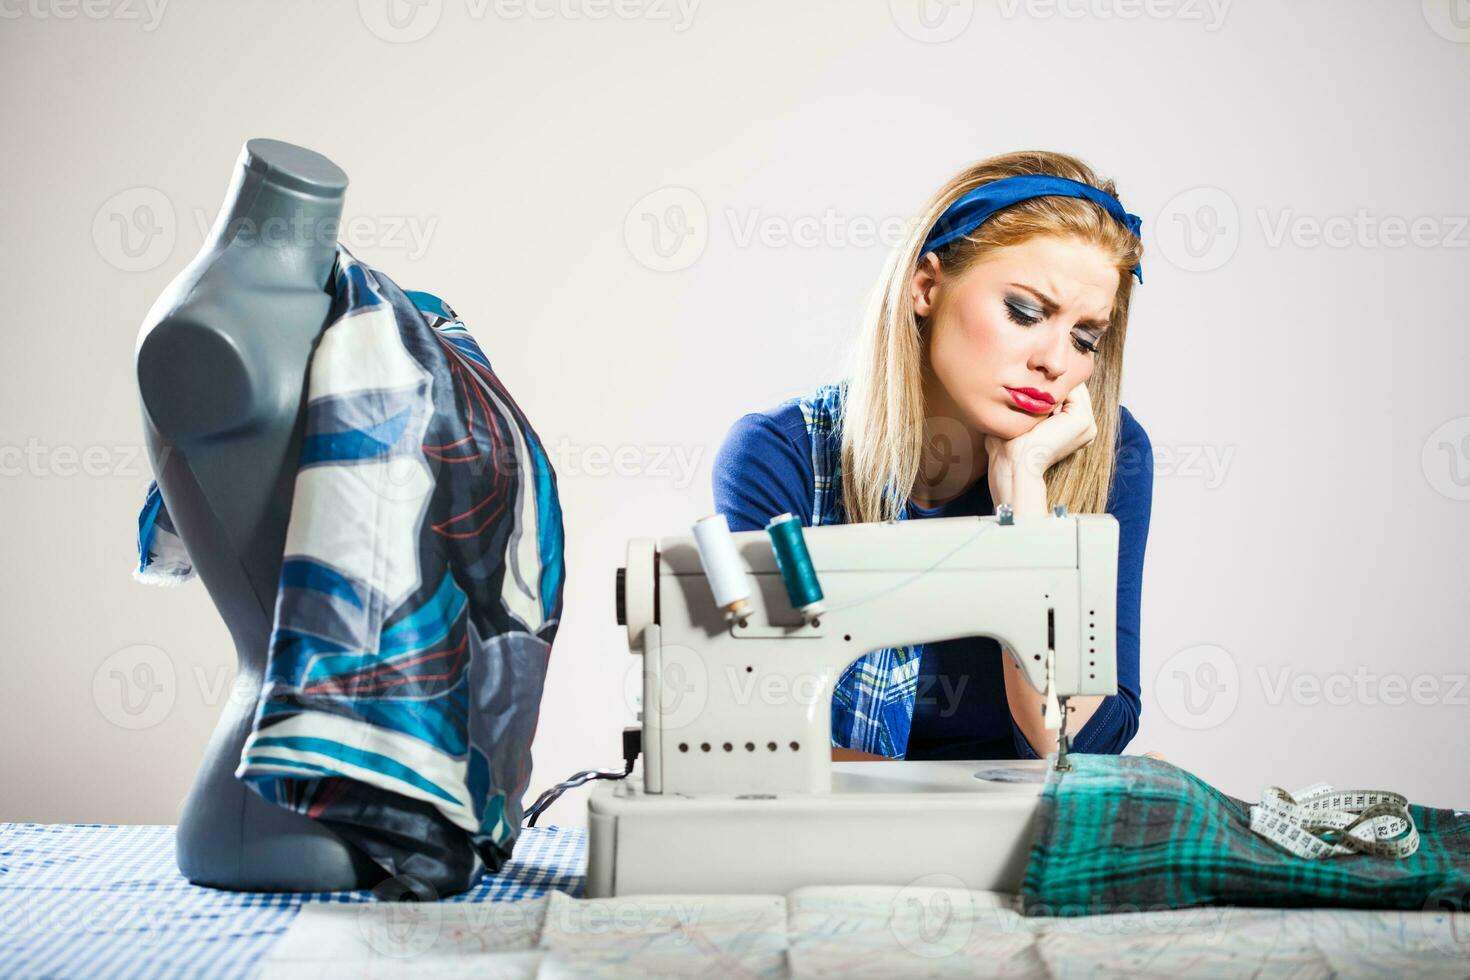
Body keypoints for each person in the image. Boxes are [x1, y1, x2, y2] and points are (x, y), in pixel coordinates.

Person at [712, 150, 1155, 763]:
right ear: (926, 286)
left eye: (1085, 338)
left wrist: (1024, 501)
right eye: (1025, 312)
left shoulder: (1112, 457)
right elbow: (762, 735)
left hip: (1022, 849)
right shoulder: (780, 458)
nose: (1055, 361)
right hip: (835, 845)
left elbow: (1079, 745)